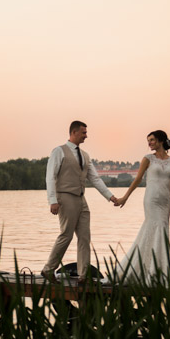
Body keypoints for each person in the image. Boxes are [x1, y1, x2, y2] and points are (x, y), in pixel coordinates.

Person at [42, 121, 118, 283]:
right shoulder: (59, 151)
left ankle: (84, 275)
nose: (86, 135)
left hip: (81, 199)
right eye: (84, 133)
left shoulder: (85, 155)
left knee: (84, 236)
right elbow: (50, 177)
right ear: (74, 132)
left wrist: (110, 197)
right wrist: (53, 200)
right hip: (65, 197)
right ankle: (48, 269)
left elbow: (95, 178)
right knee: (66, 235)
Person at [114, 130, 170, 284]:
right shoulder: (148, 159)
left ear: (161, 140)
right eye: (148, 141)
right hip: (151, 200)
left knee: (162, 233)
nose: (149, 143)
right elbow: (137, 180)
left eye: (152, 140)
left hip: (165, 203)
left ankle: (158, 274)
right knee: (152, 229)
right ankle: (145, 273)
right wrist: (125, 198)